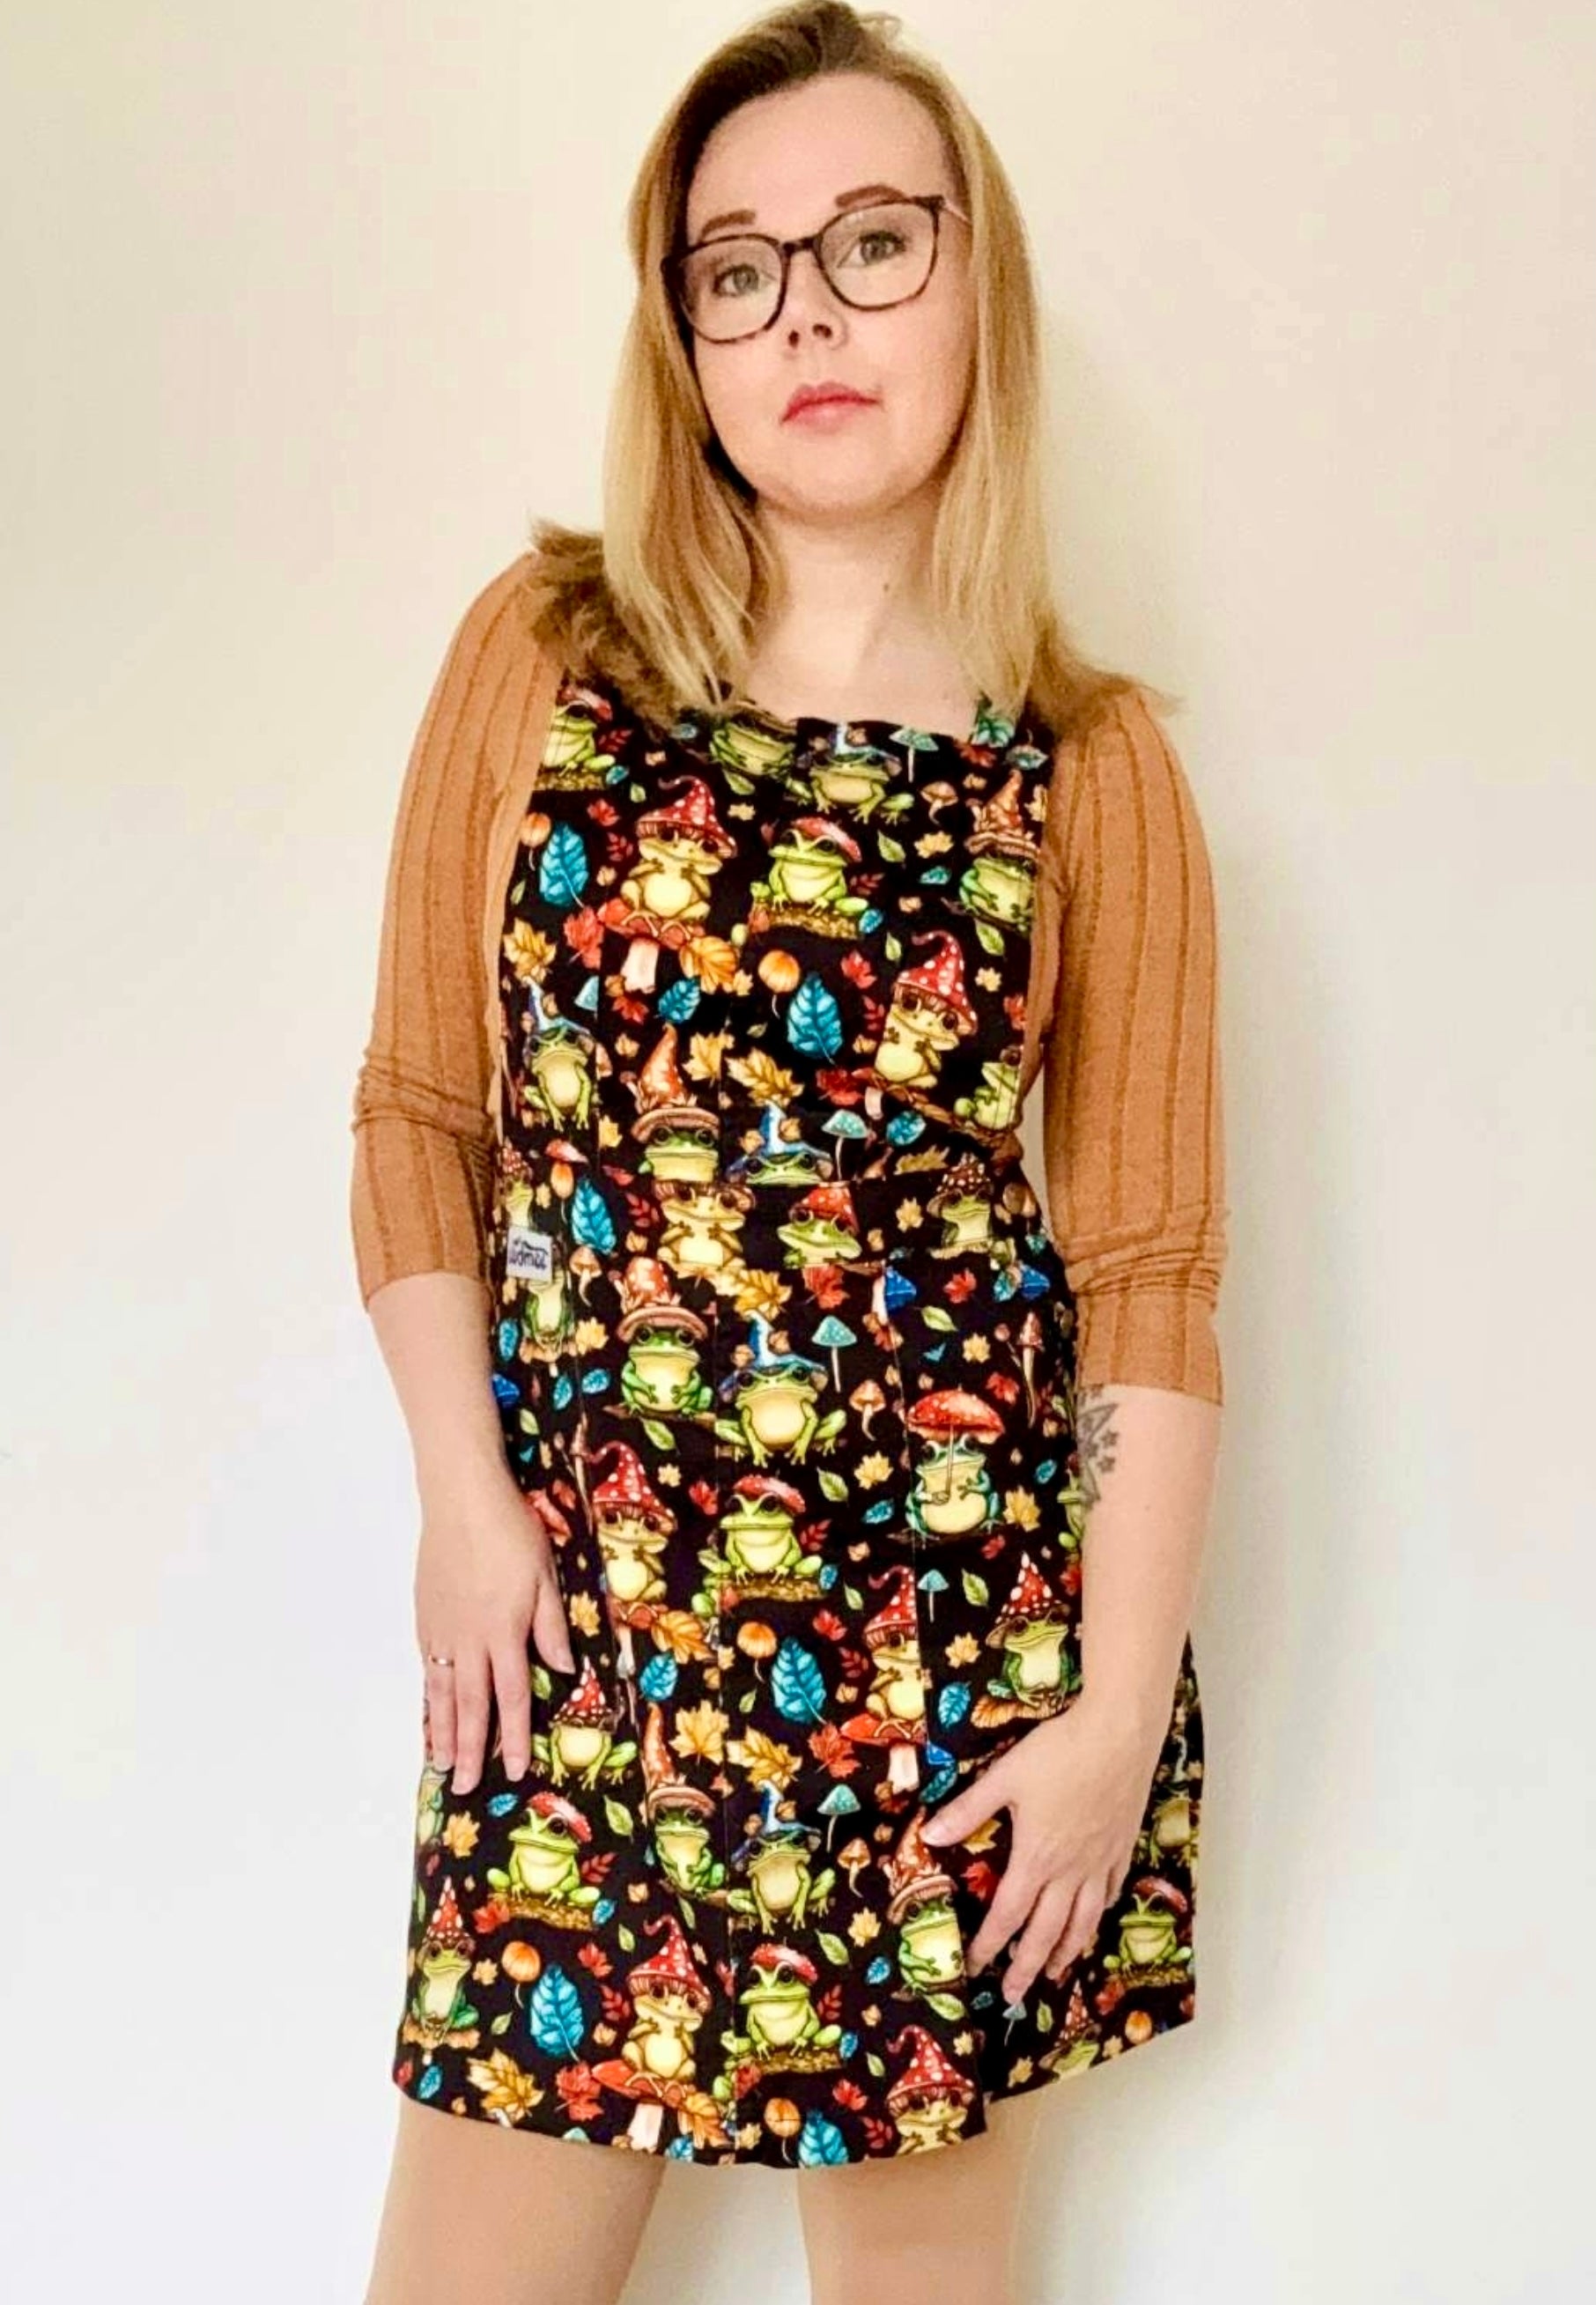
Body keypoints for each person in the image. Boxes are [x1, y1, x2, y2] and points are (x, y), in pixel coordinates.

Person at [352, 6, 1228, 2301]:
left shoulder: (1086, 761)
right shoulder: (545, 659)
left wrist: (1110, 1711)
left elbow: (1144, 1265)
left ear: (974, 288)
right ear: (681, 332)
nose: (806, 310)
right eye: (733, 268)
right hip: (583, 1644)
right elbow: (415, 1116)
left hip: (944, 1666)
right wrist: (463, 1502)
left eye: (868, 241)